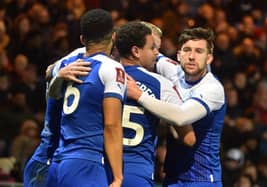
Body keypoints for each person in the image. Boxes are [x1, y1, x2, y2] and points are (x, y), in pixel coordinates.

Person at [126, 27, 226, 187]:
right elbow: (140, 51)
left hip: (202, 178)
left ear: (209, 58)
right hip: (172, 177)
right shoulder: (172, 70)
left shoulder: (212, 88)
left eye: (199, 51)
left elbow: (181, 116)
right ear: (179, 55)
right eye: (187, 50)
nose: (192, 57)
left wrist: (139, 95)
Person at [46, 9, 125, 187]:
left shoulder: (68, 64)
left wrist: (56, 74)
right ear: (113, 37)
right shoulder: (112, 68)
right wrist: (118, 176)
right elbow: (112, 125)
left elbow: (49, 81)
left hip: (58, 162)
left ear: (83, 39)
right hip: (86, 164)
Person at [115, 21, 183, 187]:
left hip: (102, 168)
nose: (157, 54)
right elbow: (187, 133)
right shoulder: (161, 83)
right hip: (138, 171)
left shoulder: (101, 73)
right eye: (153, 48)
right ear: (136, 50)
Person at [23, 57, 91, 186]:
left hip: (69, 160)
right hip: (49, 157)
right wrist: (57, 74)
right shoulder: (75, 60)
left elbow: (49, 71)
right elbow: (49, 72)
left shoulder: (100, 65)